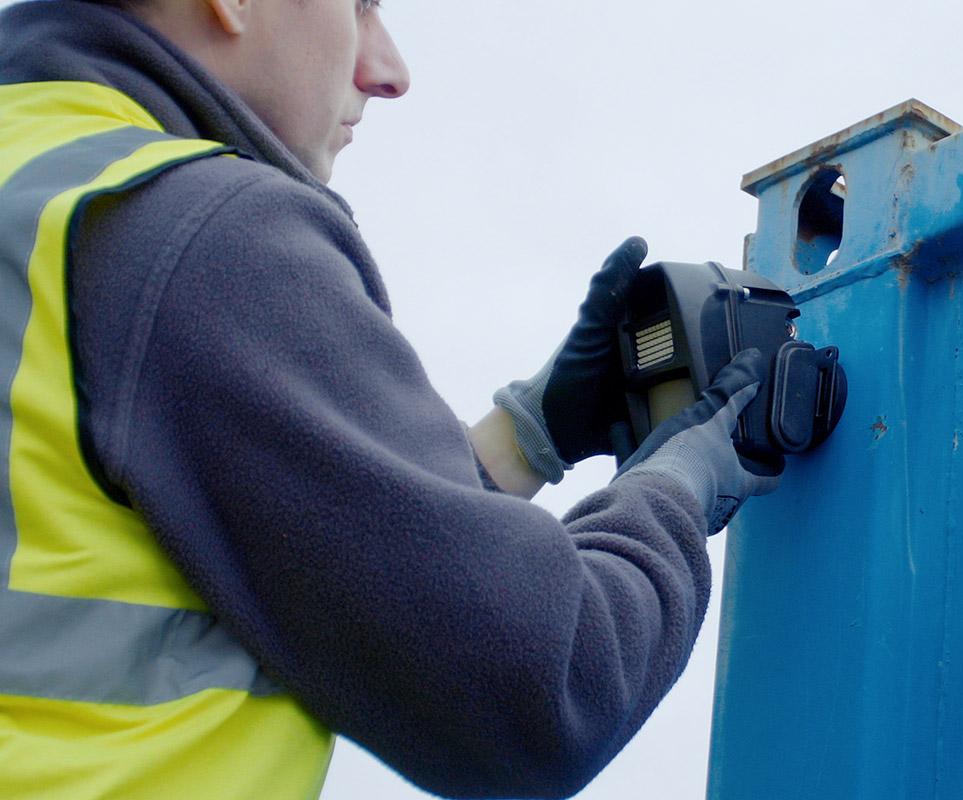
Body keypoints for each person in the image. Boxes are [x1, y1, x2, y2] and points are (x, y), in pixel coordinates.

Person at [0, 0, 780, 797]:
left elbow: (295, 534)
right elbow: (542, 686)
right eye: (361, 4)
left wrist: (530, 436)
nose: (390, 71)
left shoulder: (33, 177)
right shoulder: (194, 229)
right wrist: (676, 492)